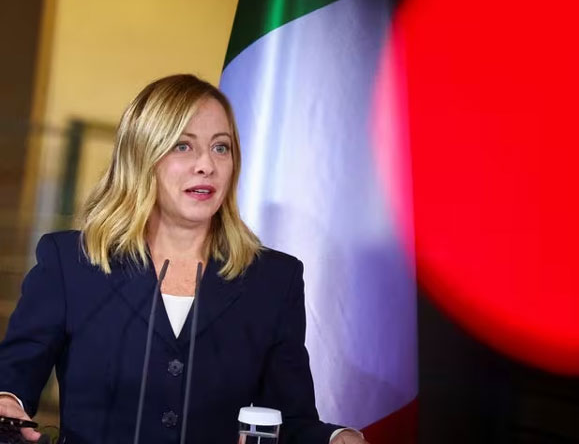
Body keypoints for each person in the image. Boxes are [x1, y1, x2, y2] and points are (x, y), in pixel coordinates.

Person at [0, 75, 367, 444]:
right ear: (141, 156)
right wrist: (7, 404)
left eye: (221, 147)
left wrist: (336, 438)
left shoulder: (273, 279)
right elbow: (12, 382)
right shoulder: (71, 263)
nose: (207, 165)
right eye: (183, 146)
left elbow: (290, 422)